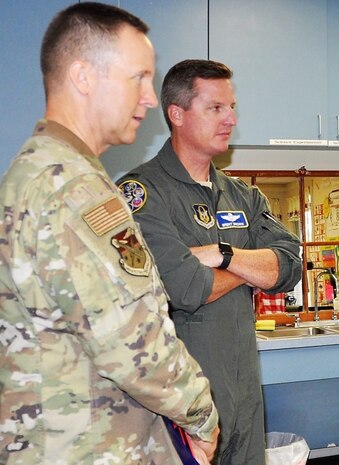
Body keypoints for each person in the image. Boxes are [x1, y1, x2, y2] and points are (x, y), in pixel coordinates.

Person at [0, 3, 220, 464]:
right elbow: (133, 342)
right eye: (137, 77)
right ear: (84, 77)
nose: (149, 98)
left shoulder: (37, 169)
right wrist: (201, 414)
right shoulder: (75, 187)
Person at [117, 59, 303, 464]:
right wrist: (252, 272)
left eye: (232, 107)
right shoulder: (141, 193)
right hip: (181, 402)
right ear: (177, 114)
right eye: (216, 108)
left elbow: (290, 265)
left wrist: (225, 255)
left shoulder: (243, 196)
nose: (231, 119)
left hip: (245, 394)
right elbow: (185, 286)